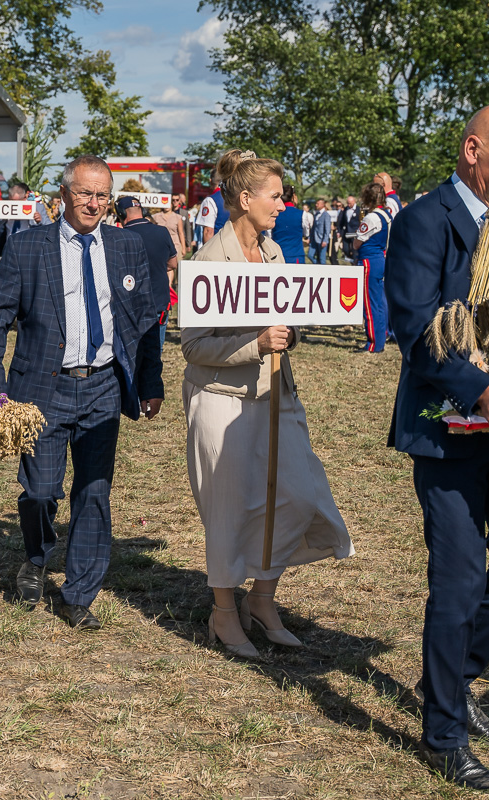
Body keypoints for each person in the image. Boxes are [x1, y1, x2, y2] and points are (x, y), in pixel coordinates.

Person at [384, 103, 489, 792]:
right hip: (445, 428)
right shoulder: (424, 220)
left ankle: (448, 677)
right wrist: (483, 391)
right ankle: (444, 735)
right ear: (473, 150)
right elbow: (417, 331)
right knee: (458, 583)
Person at [0, 155, 162, 631]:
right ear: (63, 194)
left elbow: (144, 321)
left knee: (94, 492)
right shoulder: (28, 246)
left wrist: (150, 382)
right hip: (42, 387)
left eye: (102, 195)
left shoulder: (126, 245)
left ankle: (78, 594)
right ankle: (36, 556)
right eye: (84, 193)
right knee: (40, 491)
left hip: (102, 386)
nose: (93, 204)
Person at [182, 148, 352, 659]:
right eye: (276, 196)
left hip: (277, 395)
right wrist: (255, 344)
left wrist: (289, 334)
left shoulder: (275, 252)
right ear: (244, 198)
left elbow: (287, 318)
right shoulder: (208, 261)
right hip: (222, 400)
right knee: (230, 511)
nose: (283, 205)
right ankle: (223, 613)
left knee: (298, 497)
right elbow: (194, 347)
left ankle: (261, 599)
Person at [117, 194, 177, 352]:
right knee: (155, 354)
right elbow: (173, 263)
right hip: (159, 304)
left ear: (122, 214)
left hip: (132, 307)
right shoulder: (162, 232)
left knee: (131, 355)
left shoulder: (120, 236)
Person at [355, 182, 393, 354]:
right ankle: (380, 337)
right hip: (380, 259)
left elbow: (357, 243)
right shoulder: (386, 214)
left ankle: (373, 343)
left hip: (369, 261)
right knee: (378, 301)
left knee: (369, 304)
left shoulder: (371, 217)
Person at [270, 186, 309, 263]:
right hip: (296, 255)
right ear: (293, 196)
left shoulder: (274, 214)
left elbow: (269, 235)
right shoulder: (302, 214)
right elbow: (306, 233)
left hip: (278, 255)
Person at [195, 172, 229, 245]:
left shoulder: (210, 200)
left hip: (217, 245)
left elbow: (208, 231)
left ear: (210, 180)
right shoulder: (232, 197)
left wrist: (207, 250)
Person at [337, 195, 361, 262]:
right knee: (345, 249)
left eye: (350, 203)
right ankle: (351, 258)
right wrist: (339, 231)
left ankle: (355, 261)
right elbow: (341, 221)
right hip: (346, 232)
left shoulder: (359, 210)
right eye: (347, 203)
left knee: (354, 250)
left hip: (355, 233)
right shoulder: (345, 210)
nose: (348, 205)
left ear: (354, 202)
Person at [308, 197, 331, 264]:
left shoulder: (326, 215)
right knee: (310, 255)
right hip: (314, 239)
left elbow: (327, 228)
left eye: (318, 204)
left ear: (322, 205)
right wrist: (310, 237)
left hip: (321, 239)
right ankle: (317, 265)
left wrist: (325, 240)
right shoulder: (316, 214)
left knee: (322, 258)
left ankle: (322, 269)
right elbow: (313, 228)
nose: (316, 205)